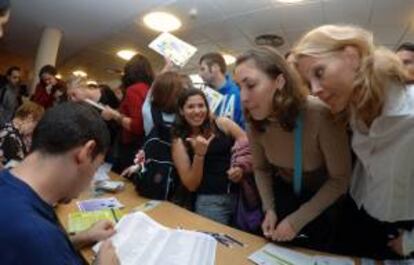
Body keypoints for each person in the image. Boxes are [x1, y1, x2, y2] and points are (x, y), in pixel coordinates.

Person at [293, 24, 414, 259]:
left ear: (351, 56)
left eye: (319, 72)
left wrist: (411, 242)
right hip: (355, 214)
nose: (315, 90)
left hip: (397, 233)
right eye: (309, 82)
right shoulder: (352, 110)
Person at [234, 46, 351, 251]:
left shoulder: (319, 114)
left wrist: (297, 221)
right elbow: (261, 168)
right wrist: (269, 208)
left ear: (279, 81)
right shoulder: (253, 120)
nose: (243, 97)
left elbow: (340, 179)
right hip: (284, 196)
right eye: (239, 87)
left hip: (322, 202)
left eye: (250, 85)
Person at [0, 102, 119, 264]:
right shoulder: (39, 237)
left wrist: (81, 238)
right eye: (96, 167)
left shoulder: (7, 182)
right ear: (87, 152)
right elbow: (40, 246)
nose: (91, 179)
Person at [171, 88, 246, 225]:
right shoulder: (180, 142)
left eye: (201, 105)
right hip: (210, 203)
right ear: (181, 111)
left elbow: (248, 146)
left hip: (241, 198)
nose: (197, 111)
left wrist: (241, 167)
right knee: (216, 244)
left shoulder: (222, 123)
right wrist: (199, 155)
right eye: (190, 107)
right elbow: (191, 185)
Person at [101, 54, 154, 173]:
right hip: (145, 146)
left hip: (132, 148)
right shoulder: (148, 89)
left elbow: (137, 126)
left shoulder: (134, 90)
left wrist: (115, 115)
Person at [198, 52, 245, 128]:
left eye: (203, 69)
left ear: (215, 68)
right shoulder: (204, 95)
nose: (199, 74)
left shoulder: (238, 93)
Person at [0, 101, 44, 165]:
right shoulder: (12, 138)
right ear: (29, 118)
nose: (34, 130)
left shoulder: (8, 129)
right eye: (36, 124)